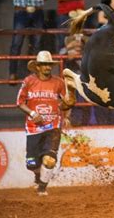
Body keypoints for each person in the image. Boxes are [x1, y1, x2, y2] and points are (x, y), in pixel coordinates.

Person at [16, 51, 72, 196]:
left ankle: (42, 188)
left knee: (49, 160)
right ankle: (37, 176)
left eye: (49, 64)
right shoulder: (29, 81)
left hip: (53, 126)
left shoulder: (59, 82)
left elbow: (68, 101)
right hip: (33, 128)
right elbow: (20, 102)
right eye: (44, 65)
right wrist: (33, 113)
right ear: (38, 67)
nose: (47, 67)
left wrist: (66, 116)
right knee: (32, 164)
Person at [6, 0, 49, 82]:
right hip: (21, 11)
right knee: (16, 42)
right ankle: (12, 73)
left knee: (37, 42)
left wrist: (36, 0)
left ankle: (36, 73)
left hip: (37, 11)